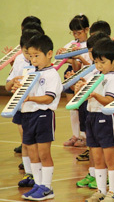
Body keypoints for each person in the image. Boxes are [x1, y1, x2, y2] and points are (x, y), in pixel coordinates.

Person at [16, 34, 62, 200]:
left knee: (44, 154)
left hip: (43, 115)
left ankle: (47, 187)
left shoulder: (51, 74)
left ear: (49, 54)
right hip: (27, 115)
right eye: (30, 56)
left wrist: (30, 98)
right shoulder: (30, 73)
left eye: (37, 55)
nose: (33, 59)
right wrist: (18, 89)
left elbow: (48, 98)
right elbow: (23, 92)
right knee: (32, 153)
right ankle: (38, 184)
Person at [78, 38, 114, 202]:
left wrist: (95, 94)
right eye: (96, 62)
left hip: (106, 118)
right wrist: (82, 86)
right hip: (92, 117)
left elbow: (110, 100)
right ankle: (101, 190)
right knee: (97, 158)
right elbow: (86, 94)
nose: (99, 65)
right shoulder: (96, 75)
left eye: (102, 62)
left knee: (110, 158)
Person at [5, 29, 43, 187]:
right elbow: (7, 86)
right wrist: (14, 81)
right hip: (22, 109)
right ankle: (29, 173)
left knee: (37, 145)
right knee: (26, 142)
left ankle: (39, 176)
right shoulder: (20, 61)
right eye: (26, 52)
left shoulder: (42, 65)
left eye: (33, 54)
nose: (30, 57)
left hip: (37, 110)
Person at [75, 32, 111, 190]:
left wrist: (92, 93)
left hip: (103, 114)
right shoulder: (93, 70)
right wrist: (79, 85)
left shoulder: (109, 74)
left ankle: (104, 176)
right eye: (89, 51)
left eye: (93, 51)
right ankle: (93, 173)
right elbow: (85, 91)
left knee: (103, 148)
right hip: (91, 112)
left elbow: (107, 96)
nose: (91, 55)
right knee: (92, 145)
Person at [58, 14, 91, 148]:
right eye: (74, 33)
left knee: (82, 107)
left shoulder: (89, 45)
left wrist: (74, 58)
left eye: (79, 32)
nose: (76, 35)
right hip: (70, 73)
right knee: (72, 106)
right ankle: (75, 135)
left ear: (87, 29)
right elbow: (61, 56)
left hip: (83, 75)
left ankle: (84, 136)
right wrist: (62, 52)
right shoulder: (72, 44)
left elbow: (86, 65)